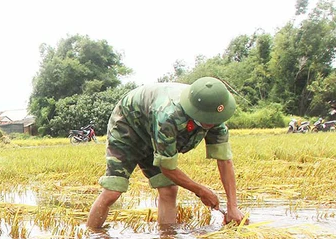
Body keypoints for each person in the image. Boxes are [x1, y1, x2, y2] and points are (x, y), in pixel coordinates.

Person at [86, 77, 244, 229]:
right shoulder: (169, 116)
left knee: (168, 189)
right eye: (208, 120)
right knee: (113, 190)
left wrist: (233, 206)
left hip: (153, 128)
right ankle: (92, 238)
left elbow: (225, 160)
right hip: (128, 126)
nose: (213, 123)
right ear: (196, 112)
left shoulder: (214, 115)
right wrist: (201, 191)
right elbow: (167, 168)